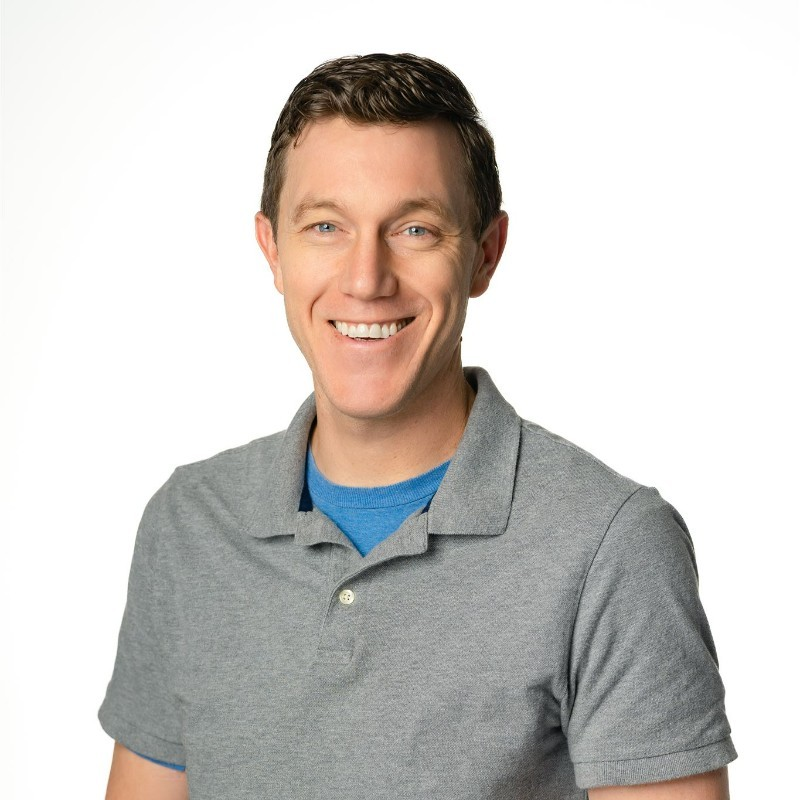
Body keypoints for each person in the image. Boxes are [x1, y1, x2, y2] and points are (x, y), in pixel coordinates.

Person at [99, 53, 736, 800]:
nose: (366, 278)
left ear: (485, 255)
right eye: (326, 226)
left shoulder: (610, 545)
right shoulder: (188, 525)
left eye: (415, 229)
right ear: (273, 250)